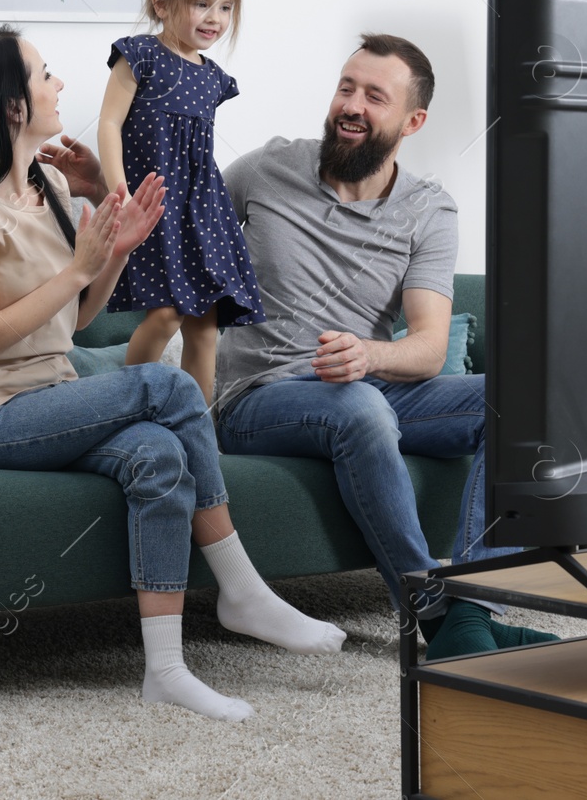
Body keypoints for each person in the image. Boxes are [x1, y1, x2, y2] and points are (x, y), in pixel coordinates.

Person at [0, 26, 345, 723]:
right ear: (11, 106)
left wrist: (113, 249)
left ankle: (166, 669)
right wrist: (82, 265)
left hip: (57, 397)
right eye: (45, 75)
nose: (58, 85)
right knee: (170, 384)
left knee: (160, 453)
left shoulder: (49, 185)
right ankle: (241, 588)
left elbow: (79, 321)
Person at [212, 33, 555, 659]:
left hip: (363, 384)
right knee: (364, 410)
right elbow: (185, 220)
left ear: (412, 120)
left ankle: (473, 611)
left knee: (529, 407)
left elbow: (426, 348)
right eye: (347, 87)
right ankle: (432, 615)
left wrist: (370, 356)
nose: (353, 105)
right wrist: (103, 183)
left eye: (375, 96)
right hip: (258, 400)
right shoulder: (268, 167)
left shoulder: (428, 211)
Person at [87, 0, 264, 409]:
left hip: (203, 210)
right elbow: (109, 122)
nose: (215, 17)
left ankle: (197, 427)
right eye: (202, 3)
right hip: (154, 203)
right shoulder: (139, 55)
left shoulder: (213, 77)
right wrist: (118, 188)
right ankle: (128, 406)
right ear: (161, 4)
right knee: (165, 314)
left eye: (225, 7)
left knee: (204, 325)